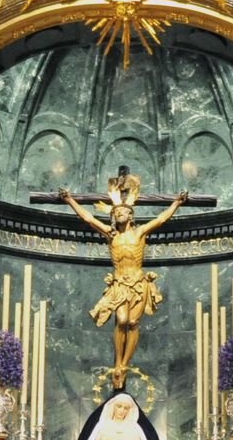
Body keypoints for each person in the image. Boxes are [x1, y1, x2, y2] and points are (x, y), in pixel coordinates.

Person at [57, 166, 189, 389]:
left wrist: (176, 203)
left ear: (130, 214)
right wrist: (70, 200)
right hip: (119, 284)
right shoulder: (110, 236)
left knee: (133, 322)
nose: (119, 214)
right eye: (115, 212)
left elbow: (160, 219)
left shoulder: (139, 233)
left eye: (123, 212)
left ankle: (124, 366)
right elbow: (89, 219)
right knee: (122, 320)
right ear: (113, 217)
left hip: (139, 283)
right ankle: (117, 362)